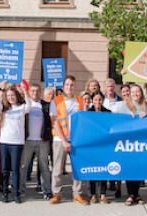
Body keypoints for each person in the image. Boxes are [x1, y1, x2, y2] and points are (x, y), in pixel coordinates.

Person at [49, 76, 89, 206]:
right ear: (63, 86)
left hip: (76, 140)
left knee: (77, 168)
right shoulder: (56, 100)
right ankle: (56, 194)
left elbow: (84, 120)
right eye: (67, 85)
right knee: (58, 168)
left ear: (75, 86)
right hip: (60, 139)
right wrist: (64, 141)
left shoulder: (80, 101)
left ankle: (77, 193)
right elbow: (54, 122)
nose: (69, 87)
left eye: (72, 85)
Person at [0, 84, 32, 204]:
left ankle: (16, 193)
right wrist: (2, 89)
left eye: (13, 95)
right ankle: (5, 193)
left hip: (17, 143)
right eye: (9, 95)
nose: (11, 97)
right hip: (4, 142)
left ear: (16, 96)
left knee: (15, 169)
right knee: (5, 169)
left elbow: (29, 105)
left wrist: (25, 91)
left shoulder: (22, 107)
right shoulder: (4, 108)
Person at [19, 83, 53, 200]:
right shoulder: (24, 104)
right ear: (29, 92)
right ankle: (20, 189)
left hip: (42, 141)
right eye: (32, 91)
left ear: (40, 92)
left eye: (37, 91)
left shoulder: (46, 105)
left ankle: (47, 190)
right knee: (23, 166)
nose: (35, 93)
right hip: (27, 141)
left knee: (44, 166)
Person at [120, 84, 147, 206]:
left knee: (139, 168)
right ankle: (130, 194)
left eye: (138, 91)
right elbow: (116, 121)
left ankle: (136, 193)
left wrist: (146, 118)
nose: (135, 94)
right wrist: (127, 118)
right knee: (129, 167)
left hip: (142, 142)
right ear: (129, 93)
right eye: (133, 92)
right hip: (128, 142)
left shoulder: (146, 107)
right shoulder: (123, 106)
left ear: (141, 93)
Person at [87, 92, 111, 204]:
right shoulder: (87, 113)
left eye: (100, 99)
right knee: (93, 170)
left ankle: (102, 194)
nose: (98, 102)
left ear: (103, 100)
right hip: (92, 145)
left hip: (104, 145)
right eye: (95, 99)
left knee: (103, 170)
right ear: (92, 100)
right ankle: (92, 194)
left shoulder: (108, 113)